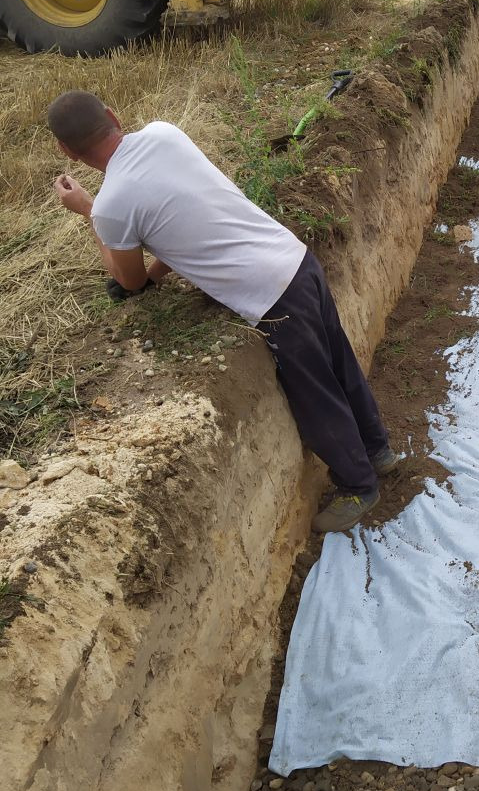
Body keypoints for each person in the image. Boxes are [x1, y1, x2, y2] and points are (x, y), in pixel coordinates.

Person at [47, 91, 399, 534]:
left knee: (315, 394)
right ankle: (378, 450)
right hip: (296, 260)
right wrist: (156, 269)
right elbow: (183, 219)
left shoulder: (112, 204)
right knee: (339, 361)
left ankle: (358, 486)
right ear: (113, 116)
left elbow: (128, 280)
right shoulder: (163, 133)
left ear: (66, 152)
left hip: (272, 298)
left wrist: (89, 211)